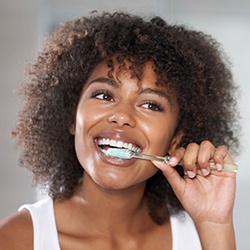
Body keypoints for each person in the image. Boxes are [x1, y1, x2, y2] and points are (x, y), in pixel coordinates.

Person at [0, 12, 240, 250]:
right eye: (104, 95)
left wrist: (215, 226)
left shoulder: (201, 234)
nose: (122, 116)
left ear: (174, 139)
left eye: (150, 105)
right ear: (72, 116)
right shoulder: (15, 239)